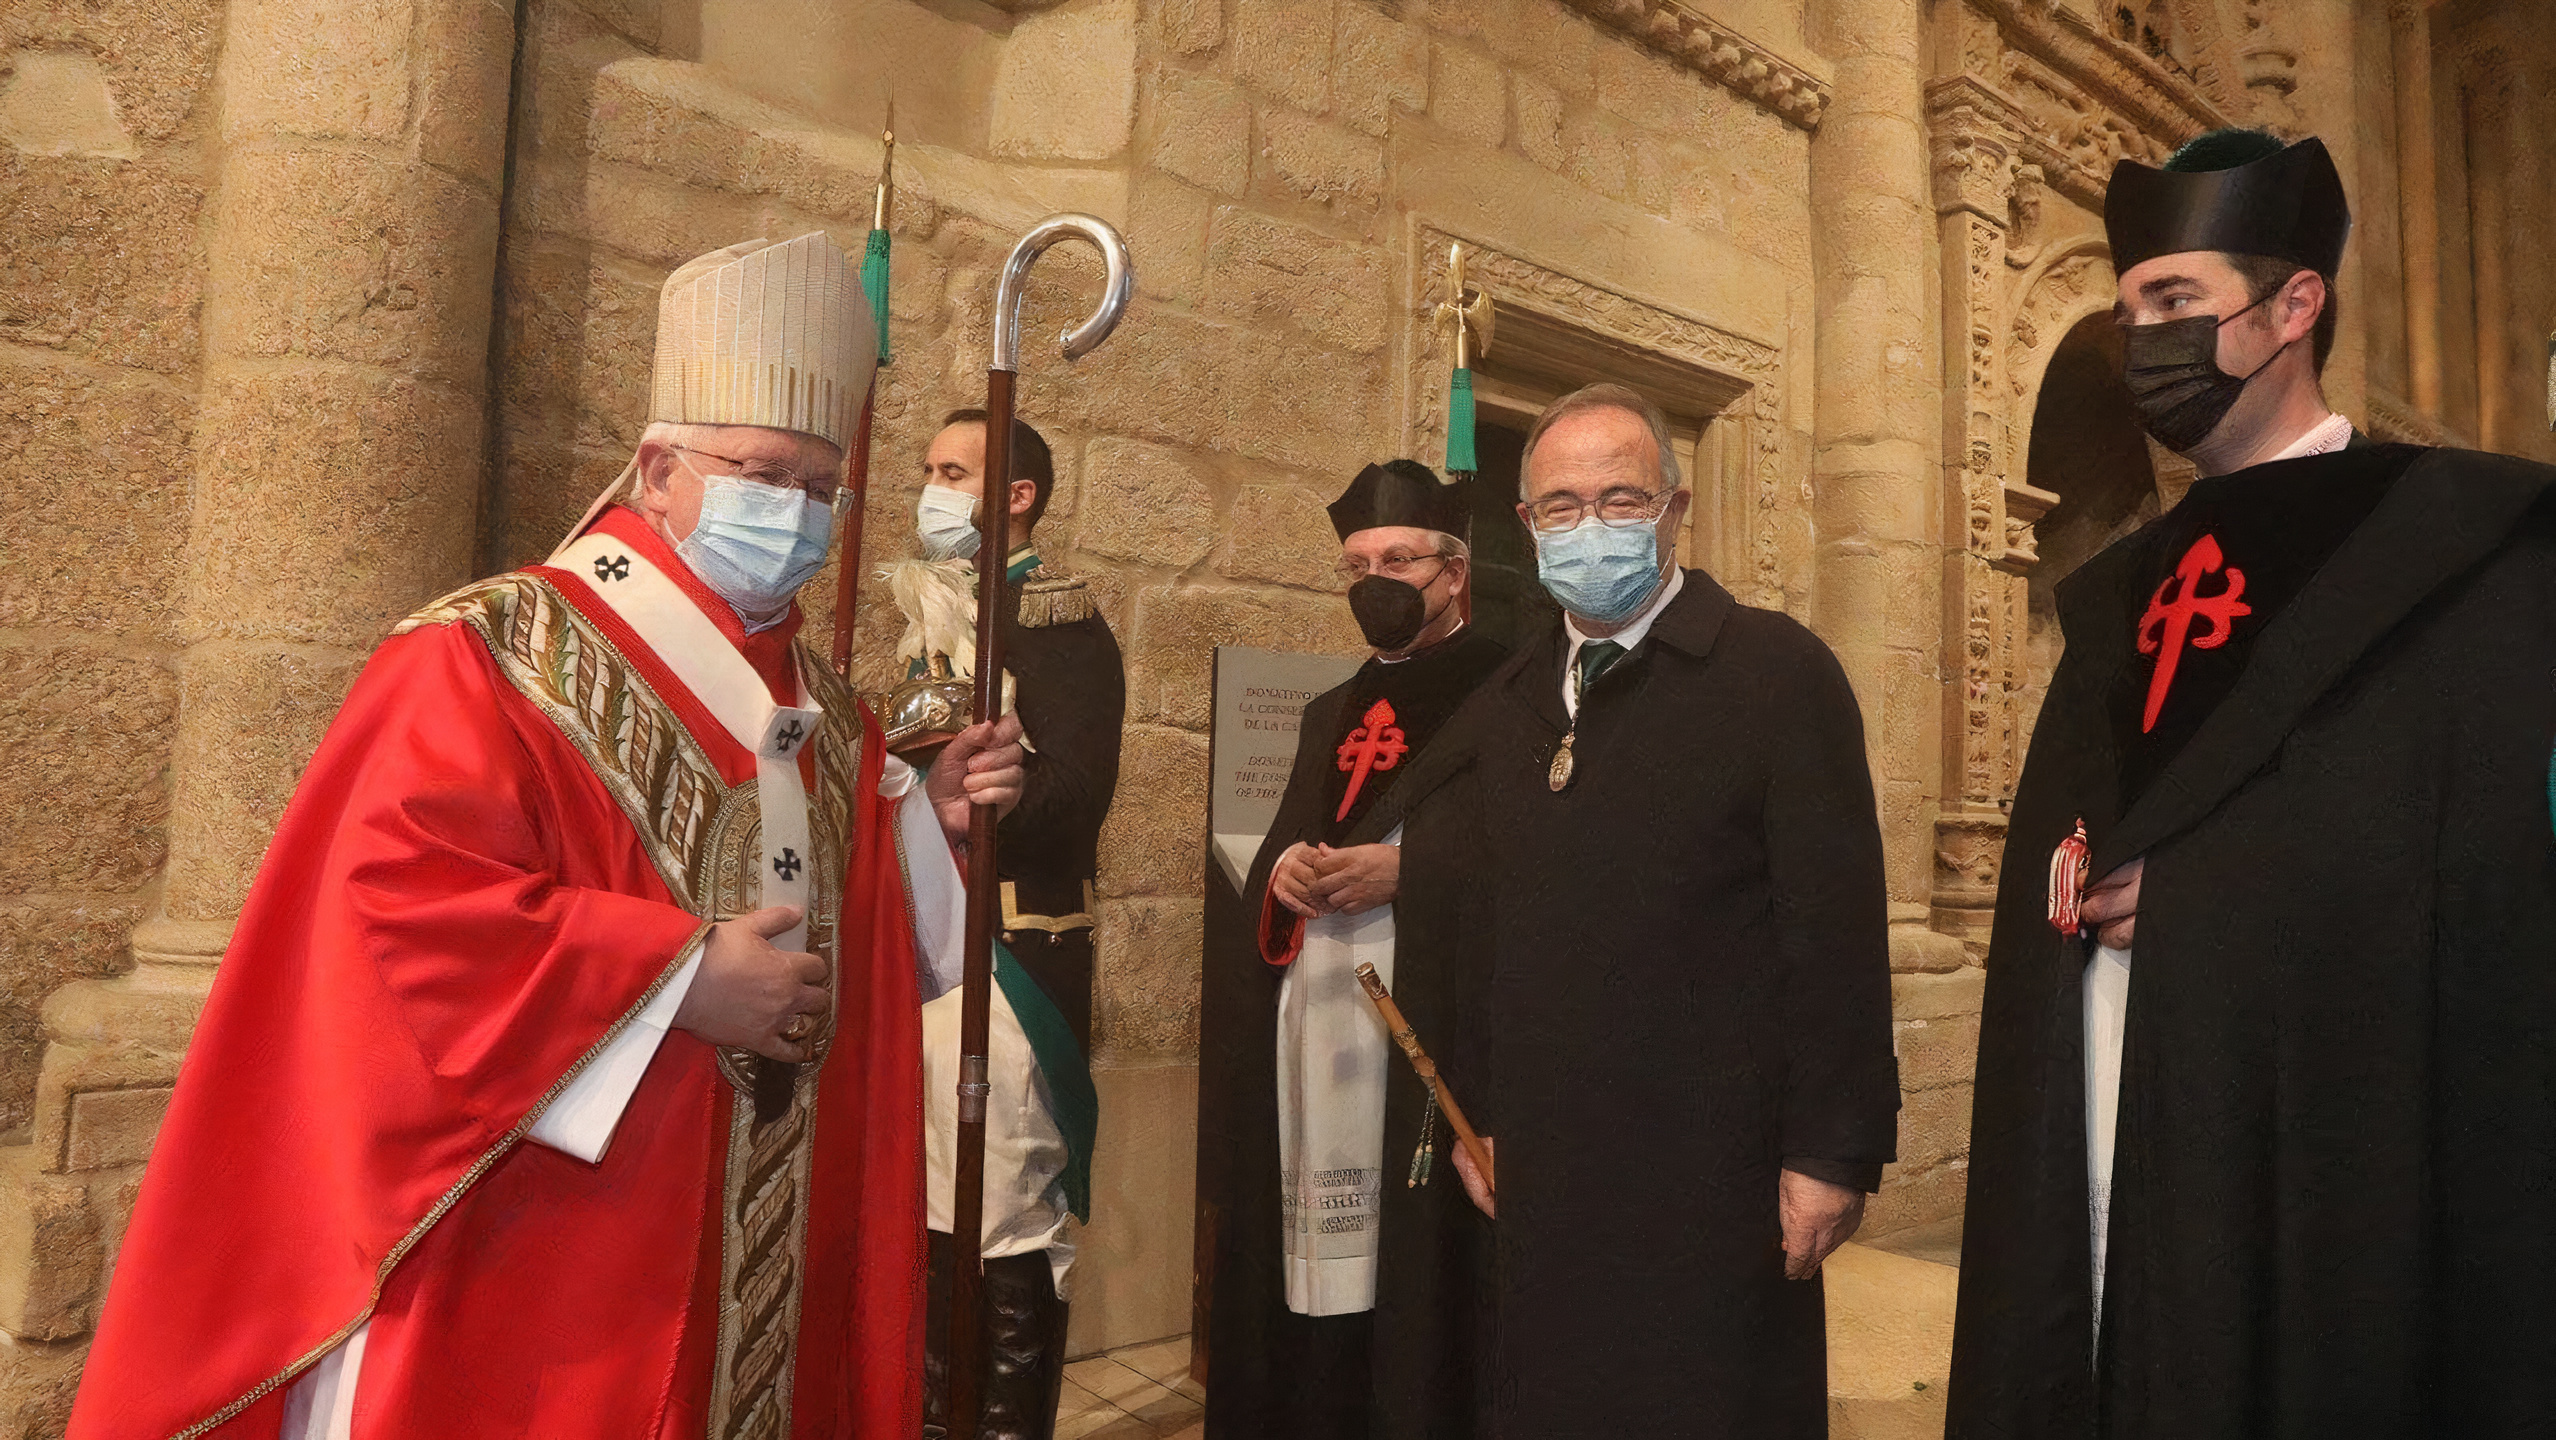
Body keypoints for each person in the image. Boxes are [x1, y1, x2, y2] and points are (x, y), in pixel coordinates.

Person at [67, 233, 1025, 1440]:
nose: (794, 512)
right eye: (762, 471)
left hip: (766, 1241)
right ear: (658, 467)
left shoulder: (832, 716)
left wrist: (918, 829)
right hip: (553, 1253)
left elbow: (858, 935)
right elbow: (390, 911)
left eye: (824, 487)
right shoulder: (488, 654)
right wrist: (675, 979)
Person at [1948, 130, 2556, 1438]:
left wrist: (2209, 897)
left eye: (2175, 303)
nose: (2144, 340)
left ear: (2293, 308)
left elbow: (2474, 869)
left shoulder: (2455, 549)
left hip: (2315, 1164)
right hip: (2112, 1108)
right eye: (2129, 311)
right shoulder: (2125, 589)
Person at [1379, 384, 1899, 1438]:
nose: (1592, 525)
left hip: (1714, 1172)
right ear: (1526, 529)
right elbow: (1479, 928)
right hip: (1548, 1161)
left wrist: (1833, 1152)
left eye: (1622, 497)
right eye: (1562, 506)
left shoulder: (1775, 674)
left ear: (1676, 508)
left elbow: (1834, 930)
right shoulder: (1513, 697)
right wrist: (1474, 1115)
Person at [1196, 460, 1507, 1439]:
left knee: (1414, 1283)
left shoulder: (1513, 693)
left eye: (1399, 558)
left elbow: (1546, 861)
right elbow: (1295, 833)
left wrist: (1412, 876)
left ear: (1453, 572)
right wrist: (1287, 872)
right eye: (1357, 562)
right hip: (1316, 1031)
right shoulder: (1330, 709)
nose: (1376, 577)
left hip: (1434, 1030)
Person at [893, 410, 1124, 1440]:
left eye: (954, 471)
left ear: (1017, 495)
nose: (932, 487)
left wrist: (1002, 787)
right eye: (931, 469)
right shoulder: (931, 612)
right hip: (922, 961)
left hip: (1011, 958)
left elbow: (1080, 798)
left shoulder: (1060, 623)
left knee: (1000, 1218)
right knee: (936, 1213)